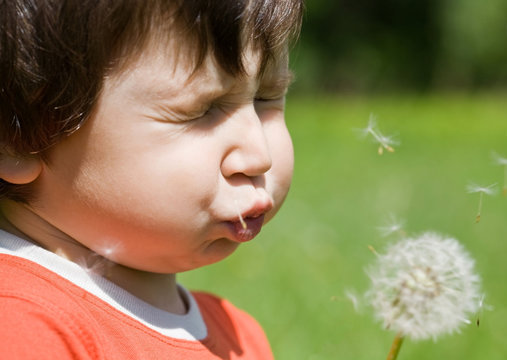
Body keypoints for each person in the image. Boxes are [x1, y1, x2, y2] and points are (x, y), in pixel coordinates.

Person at [0, 0, 303, 358]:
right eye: (201, 111)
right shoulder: (23, 329)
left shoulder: (237, 333)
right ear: (17, 141)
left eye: (265, 98)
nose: (259, 156)